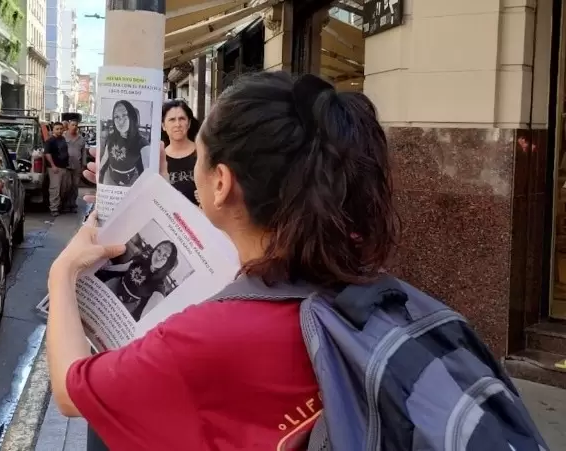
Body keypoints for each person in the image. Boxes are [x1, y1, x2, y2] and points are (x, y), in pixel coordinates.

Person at [46, 71, 398, 449]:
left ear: (221, 182)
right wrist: (153, 196)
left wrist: (62, 273)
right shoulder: (377, 290)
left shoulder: (208, 335)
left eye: (200, 154)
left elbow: (71, 389)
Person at [95, 240, 179, 321]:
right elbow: (125, 267)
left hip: (128, 304)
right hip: (116, 284)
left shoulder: (159, 284)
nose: (159, 257)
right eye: (159, 250)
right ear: (154, 250)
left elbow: (156, 300)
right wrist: (107, 268)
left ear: (168, 263)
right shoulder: (142, 258)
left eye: (165, 256)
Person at [97, 100, 150, 187]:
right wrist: (98, 172)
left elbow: (147, 172)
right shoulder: (111, 137)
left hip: (130, 182)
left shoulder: (142, 143)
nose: (120, 121)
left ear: (132, 117)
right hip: (110, 178)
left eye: (124, 115)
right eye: (116, 117)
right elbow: (105, 157)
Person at [161, 100, 200, 205]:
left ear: (189, 123)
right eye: (172, 120)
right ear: (163, 126)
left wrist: (206, 196)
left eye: (182, 119)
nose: (177, 124)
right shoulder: (160, 158)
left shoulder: (203, 153)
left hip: (200, 218)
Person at [44, 122, 69, 217]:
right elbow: (47, 154)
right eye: (57, 129)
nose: (59, 131)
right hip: (55, 168)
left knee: (63, 188)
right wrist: (53, 165)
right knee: (55, 189)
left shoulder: (62, 139)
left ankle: (59, 206)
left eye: (60, 129)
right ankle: (54, 208)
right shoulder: (50, 141)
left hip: (64, 167)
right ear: (53, 130)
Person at [63, 120, 86, 213]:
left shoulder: (81, 139)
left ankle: (73, 204)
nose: (74, 126)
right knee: (66, 186)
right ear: (68, 126)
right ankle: (65, 204)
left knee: (75, 186)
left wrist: (84, 165)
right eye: (72, 125)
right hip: (65, 165)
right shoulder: (63, 136)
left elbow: (83, 153)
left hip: (77, 165)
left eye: (76, 125)